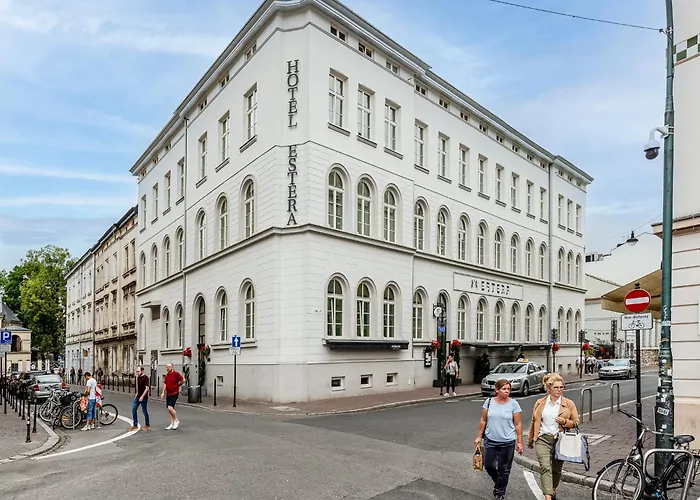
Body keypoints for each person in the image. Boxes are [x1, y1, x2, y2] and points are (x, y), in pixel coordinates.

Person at [527, 373, 580, 500]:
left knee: (556, 470)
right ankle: (548, 497)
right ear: (549, 389)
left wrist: (565, 422)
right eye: (556, 387)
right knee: (545, 467)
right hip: (542, 439)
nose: (559, 390)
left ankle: (553, 490)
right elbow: (534, 422)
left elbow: (576, 422)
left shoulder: (569, 404)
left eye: (561, 387)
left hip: (560, 439)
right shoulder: (540, 403)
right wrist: (531, 439)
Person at [474, 379, 523, 500]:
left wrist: (519, 442)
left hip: (508, 441)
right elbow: (483, 420)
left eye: (508, 389)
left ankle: (500, 492)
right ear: (497, 390)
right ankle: (499, 482)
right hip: (490, 439)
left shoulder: (514, 404)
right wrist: (479, 436)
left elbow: (518, 424)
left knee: (504, 468)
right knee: (488, 465)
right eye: (504, 389)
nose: (507, 391)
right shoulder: (489, 402)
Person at [160, 363, 184, 430]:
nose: (167, 368)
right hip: (168, 394)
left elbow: (183, 380)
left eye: (169, 367)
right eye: (167, 367)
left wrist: (178, 385)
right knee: (169, 409)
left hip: (174, 393)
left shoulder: (176, 374)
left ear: (172, 367)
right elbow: (165, 384)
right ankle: (172, 423)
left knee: (170, 408)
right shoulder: (167, 375)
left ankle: (176, 420)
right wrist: (163, 392)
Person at [130, 366, 150, 431]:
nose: (137, 373)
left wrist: (142, 396)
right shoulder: (138, 377)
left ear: (142, 371)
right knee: (134, 409)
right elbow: (139, 387)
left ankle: (147, 425)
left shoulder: (146, 378)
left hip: (144, 397)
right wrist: (137, 394)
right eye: (137, 371)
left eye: (138, 371)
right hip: (138, 396)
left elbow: (147, 388)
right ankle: (135, 425)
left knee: (144, 411)